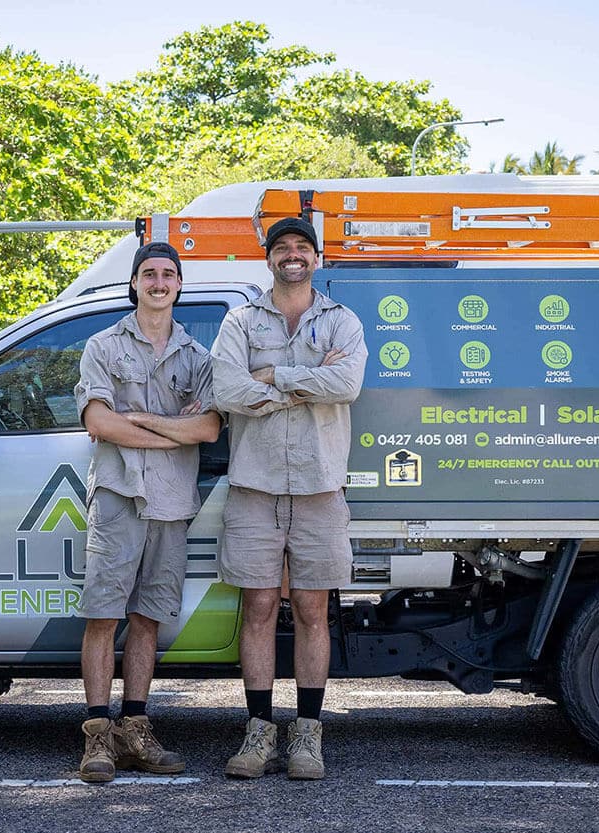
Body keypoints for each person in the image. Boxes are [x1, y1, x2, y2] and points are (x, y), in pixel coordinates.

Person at [211, 217, 367, 780]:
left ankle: (306, 734)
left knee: (311, 611)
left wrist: (271, 375)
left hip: (321, 489)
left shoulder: (343, 321)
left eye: (302, 247)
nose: (293, 256)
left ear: (316, 259)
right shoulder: (240, 320)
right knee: (255, 609)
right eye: (282, 249)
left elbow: (346, 386)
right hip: (254, 488)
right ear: (269, 259)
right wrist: (302, 385)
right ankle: (257, 732)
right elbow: (226, 388)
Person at [73, 241, 222, 783]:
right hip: (118, 498)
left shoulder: (199, 359)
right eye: (149, 274)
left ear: (179, 285)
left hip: (172, 505)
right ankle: (97, 735)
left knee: (148, 618)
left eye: (168, 275)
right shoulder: (102, 345)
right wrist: (170, 428)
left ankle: (135, 730)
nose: (159, 282)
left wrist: (137, 418)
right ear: (134, 283)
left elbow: (207, 429)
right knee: (103, 615)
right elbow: (99, 424)